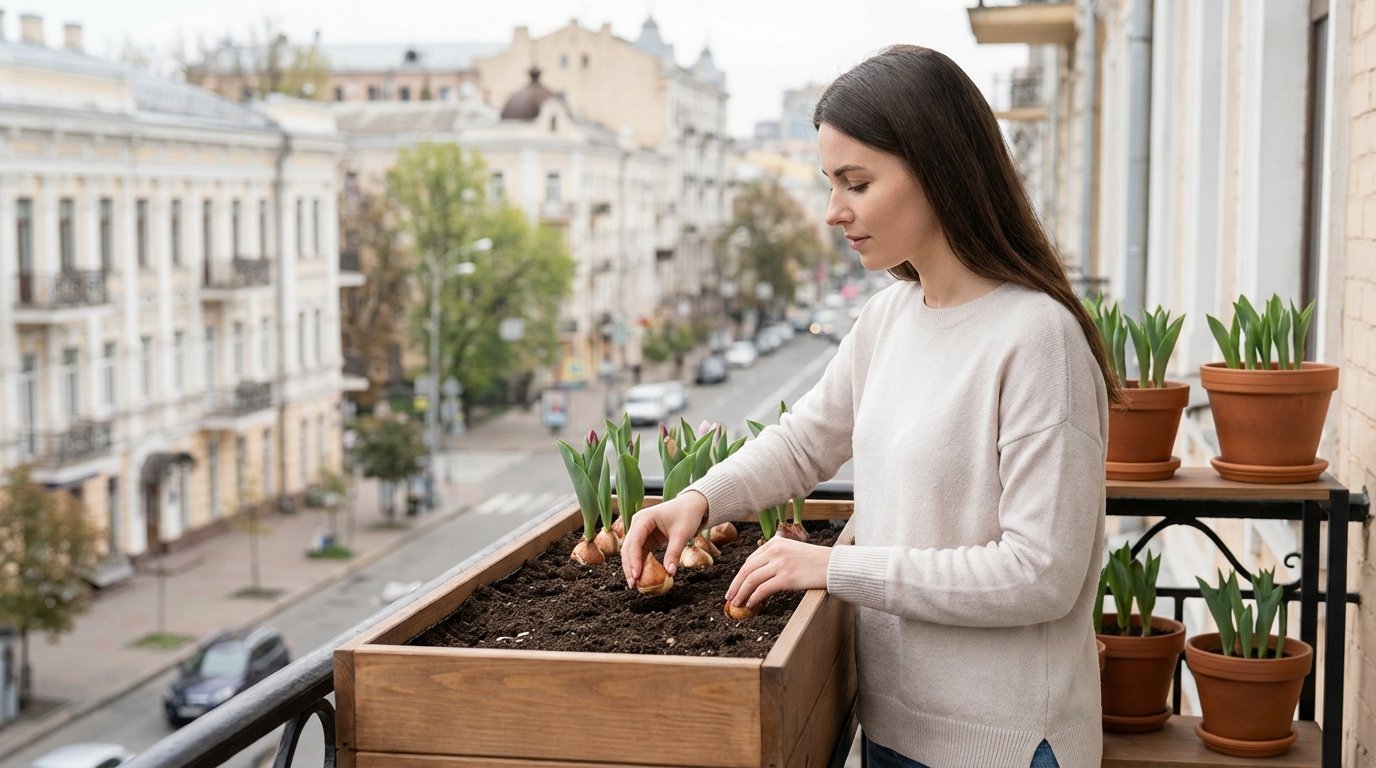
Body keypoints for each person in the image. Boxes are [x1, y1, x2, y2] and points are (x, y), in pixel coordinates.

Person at [621, 45, 1122, 768]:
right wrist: (697, 500)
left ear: (940, 169)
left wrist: (832, 569)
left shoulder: (1038, 338)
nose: (834, 211)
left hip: (1007, 747)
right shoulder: (890, 318)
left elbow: (1039, 575)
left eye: (856, 182)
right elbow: (803, 443)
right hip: (888, 729)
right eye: (831, 183)